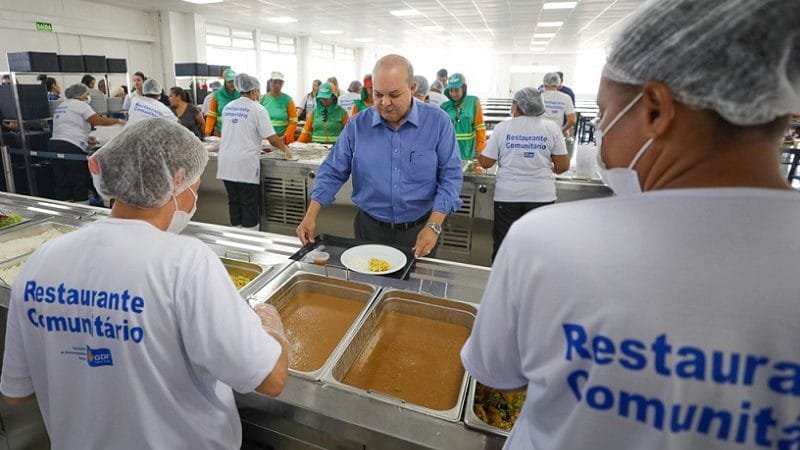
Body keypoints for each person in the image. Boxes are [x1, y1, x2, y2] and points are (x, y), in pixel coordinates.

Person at [460, 1, 800, 449]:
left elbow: (496, 376)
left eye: (604, 116)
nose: (602, 135)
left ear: (656, 109)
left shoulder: (549, 241)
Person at [1, 118, 289, 449]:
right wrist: (272, 325)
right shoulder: (185, 262)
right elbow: (271, 378)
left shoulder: (42, 260)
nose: (194, 194)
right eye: (195, 184)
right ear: (178, 178)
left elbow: (17, 394)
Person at [296, 55, 463, 257]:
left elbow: (451, 177)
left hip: (420, 229)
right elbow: (333, 170)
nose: (385, 103)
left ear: (412, 87)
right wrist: (311, 214)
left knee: (412, 288)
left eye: (394, 94)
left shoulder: (437, 122)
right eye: (378, 94)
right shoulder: (358, 125)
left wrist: (434, 226)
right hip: (370, 229)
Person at [476, 87, 569, 260]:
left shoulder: (503, 128)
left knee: (505, 247)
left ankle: (502, 284)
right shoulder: (552, 128)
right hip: (542, 196)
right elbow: (563, 166)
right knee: (537, 247)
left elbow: (487, 162)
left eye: (513, 103)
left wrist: (480, 149)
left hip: (508, 197)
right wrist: (543, 166)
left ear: (518, 105)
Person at [217, 74, 293, 230]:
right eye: (258, 91)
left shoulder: (228, 108)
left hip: (225, 161)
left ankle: (236, 238)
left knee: (234, 201)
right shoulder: (258, 109)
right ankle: (250, 242)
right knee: (249, 204)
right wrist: (286, 149)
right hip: (245, 163)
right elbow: (272, 138)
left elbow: (237, 132)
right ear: (253, 91)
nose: (259, 94)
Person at [46, 83, 125, 202]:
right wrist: (118, 121)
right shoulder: (80, 105)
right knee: (79, 179)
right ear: (81, 95)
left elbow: (68, 126)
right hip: (71, 146)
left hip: (54, 144)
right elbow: (97, 120)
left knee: (62, 179)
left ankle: (64, 206)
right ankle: (81, 206)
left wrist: (86, 138)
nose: (88, 96)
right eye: (87, 94)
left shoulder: (62, 105)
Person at [441, 73, 486, 160]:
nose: (453, 94)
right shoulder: (445, 106)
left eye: (456, 90)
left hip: (468, 150)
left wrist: (480, 146)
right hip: (449, 149)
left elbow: (480, 126)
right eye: (451, 90)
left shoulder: (474, 102)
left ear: (464, 89)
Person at [258, 71, 298, 144]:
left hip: (283, 139)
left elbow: (293, 121)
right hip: (266, 140)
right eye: (275, 82)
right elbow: (257, 119)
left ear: (283, 84)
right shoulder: (262, 99)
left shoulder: (288, 100)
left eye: (280, 83)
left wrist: (286, 136)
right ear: (270, 82)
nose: (277, 85)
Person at [541, 72, 577, 141]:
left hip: (540, 133)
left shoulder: (538, 97)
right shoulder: (566, 97)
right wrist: (563, 130)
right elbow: (572, 120)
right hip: (556, 133)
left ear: (544, 83)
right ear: (558, 83)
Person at [205, 69, 240, 137]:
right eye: (229, 82)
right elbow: (211, 116)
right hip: (221, 132)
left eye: (234, 81)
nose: (232, 84)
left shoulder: (241, 94)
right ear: (225, 82)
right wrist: (207, 132)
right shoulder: (217, 95)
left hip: (238, 132)